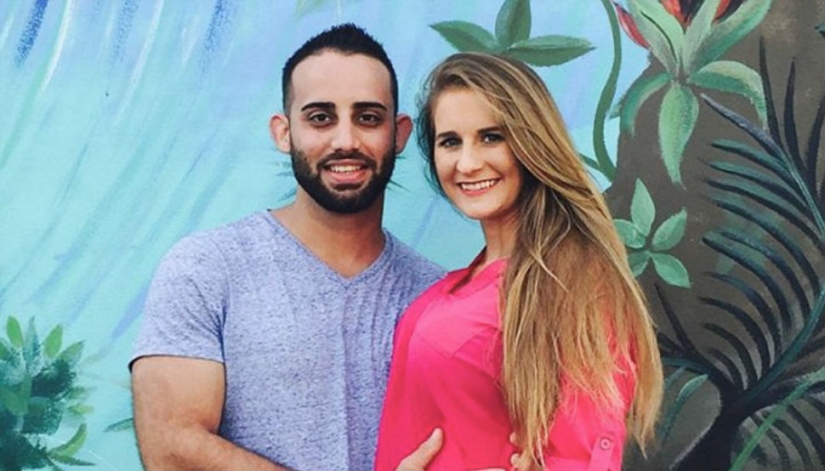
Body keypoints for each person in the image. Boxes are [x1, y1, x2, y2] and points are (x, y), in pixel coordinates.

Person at [130, 24, 445, 471]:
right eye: (320, 117)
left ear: (398, 134)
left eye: (367, 117)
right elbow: (173, 449)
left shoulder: (436, 295)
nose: (345, 141)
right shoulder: (206, 267)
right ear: (283, 132)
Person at [374, 52, 664, 471]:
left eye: (491, 136)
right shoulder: (451, 288)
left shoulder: (572, 281)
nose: (468, 163)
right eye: (450, 141)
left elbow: (588, 456)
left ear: (531, 142)